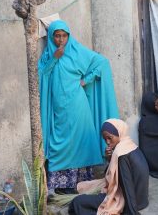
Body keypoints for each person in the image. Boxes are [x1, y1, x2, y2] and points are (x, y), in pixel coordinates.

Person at [38, 20, 119, 194]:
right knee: (60, 140)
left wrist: (86, 80)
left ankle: (81, 182)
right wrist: (54, 59)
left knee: (80, 138)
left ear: (69, 36)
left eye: (64, 36)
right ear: (51, 37)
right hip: (58, 107)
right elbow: (43, 75)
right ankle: (62, 184)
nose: (61, 40)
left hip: (77, 104)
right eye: (57, 36)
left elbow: (101, 63)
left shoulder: (76, 50)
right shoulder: (47, 56)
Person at [69, 119, 149, 215]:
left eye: (110, 138)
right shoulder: (129, 144)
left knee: (77, 202)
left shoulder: (121, 154)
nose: (107, 142)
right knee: (89, 186)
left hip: (130, 200)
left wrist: (131, 211)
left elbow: (127, 184)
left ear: (119, 133)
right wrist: (110, 158)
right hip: (141, 199)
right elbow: (119, 173)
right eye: (105, 139)